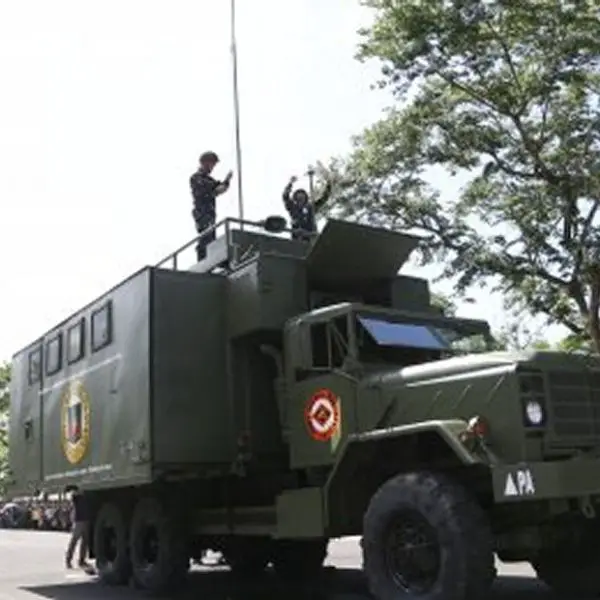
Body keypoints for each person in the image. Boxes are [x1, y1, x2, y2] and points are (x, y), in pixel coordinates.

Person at [190, 151, 233, 261]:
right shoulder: (196, 178)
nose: (212, 167)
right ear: (204, 163)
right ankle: (203, 260)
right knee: (205, 236)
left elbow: (220, 188)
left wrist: (227, 181)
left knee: (211, 237)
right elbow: (213, 190)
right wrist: (220, 186)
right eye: (211, 164)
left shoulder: (208, 180)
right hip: (202, 212)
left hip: (210, 213)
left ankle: (209, 259)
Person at [282, 174, 332, 242]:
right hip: (297, 235)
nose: (300, 196)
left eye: (302, 194)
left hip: (310, 234)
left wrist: (329, 185)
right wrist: (290, 183)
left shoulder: (311, 207)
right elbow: (285, 196)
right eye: (298, 194)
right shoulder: (292, 207)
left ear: (305, 197)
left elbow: (324, 199)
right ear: (295, 197)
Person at [64, 485, 92, 571]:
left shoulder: (83, 494)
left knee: (84, 542)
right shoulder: (76, 495)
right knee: (74, 540)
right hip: (79, 520)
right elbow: (74, 493)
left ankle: (81, 560)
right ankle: (68, 560)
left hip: (85, 519)